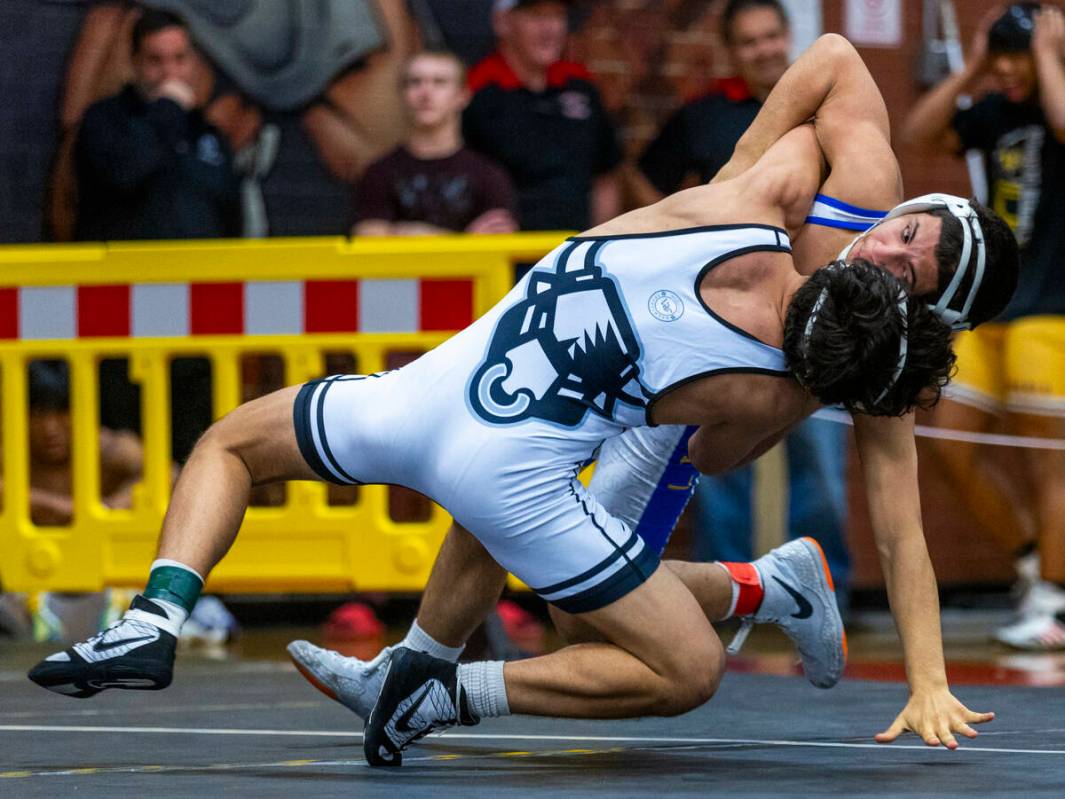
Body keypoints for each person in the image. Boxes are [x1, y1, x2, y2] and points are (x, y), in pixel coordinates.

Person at [29, 36, 1015, 761]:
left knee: (581, 608)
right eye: (906, 227)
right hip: (587, 423)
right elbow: (837, 56)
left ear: (924, 311)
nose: (886, 242)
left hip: (525, 399)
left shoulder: (760, 203)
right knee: (593, 597)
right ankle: (746, 592)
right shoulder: (796, 213)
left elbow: (886, 523)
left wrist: (929, 674)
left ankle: (352, 659)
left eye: (911, 265)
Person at [635, 0, 850, 594]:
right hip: (728, 317)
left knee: (824, 468)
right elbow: (647, 184)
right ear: (732, 52)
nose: (764, 50)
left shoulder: (825, 113)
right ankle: (723, 589)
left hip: (814, 314)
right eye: (749, 42)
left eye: (771, 37)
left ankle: (824, 591)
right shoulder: (702, 116)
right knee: (716, 465)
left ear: (789, 38)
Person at [901, 2, 1065, 649]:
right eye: (996, 55)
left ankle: (1054, 601)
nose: (1004, 68)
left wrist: (1049, 58)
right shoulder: (995, 110)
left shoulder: (1050, 103)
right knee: (945, 438)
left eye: (1012, 55)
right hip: (997, 308)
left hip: (1053, 308)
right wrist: (970, 69)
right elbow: (919, 132)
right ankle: (1029, 561)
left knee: (1047, 465)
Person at [73, 8, 240, 241]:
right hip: (128, 272)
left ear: (193, 62)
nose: (169, 73)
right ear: (135, 63)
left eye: (179, 59)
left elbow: (231, 213)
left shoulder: (205, 131)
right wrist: (168, 108)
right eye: (155, 60)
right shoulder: (105, 120)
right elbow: (124, 174)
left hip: (196, 272)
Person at [463, 0, 622, 231]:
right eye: (536, 16)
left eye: (558, 15)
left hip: (576, 254)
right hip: (507, 256)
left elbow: (605, 177)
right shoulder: (475, 92)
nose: (551, 29)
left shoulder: (581, 86)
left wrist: (602, 245)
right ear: (502, 22)